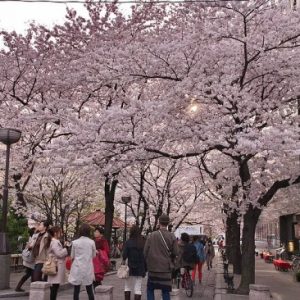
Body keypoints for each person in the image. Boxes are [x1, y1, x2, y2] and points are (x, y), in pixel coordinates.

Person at [144, 214, 178, 300]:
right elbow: (176, 252)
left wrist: (146, 264)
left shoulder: (151, 235)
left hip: (153, 268)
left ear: (159, 222)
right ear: (168, 223)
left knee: (150, 289)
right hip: (165, 268)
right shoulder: (172, 236)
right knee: (165, 290)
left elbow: (145, 252)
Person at [68, 224, 96, 300]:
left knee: (76, 290)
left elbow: (72, 256)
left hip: (77, 267)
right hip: (88, 267)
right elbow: (94, 256)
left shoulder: (75, 242)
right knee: (89, 290)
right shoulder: (92, 242)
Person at [122, 225, 146, 300]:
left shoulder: (128, 242)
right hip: (140, 267)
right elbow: (145, 255)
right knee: (138, 288)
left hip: (129, 267)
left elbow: (124, 255)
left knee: (127, 286)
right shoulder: (143, 242)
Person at [47, 226, 68, 300]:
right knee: (54, 286)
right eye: (60, 232)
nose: (61, 234)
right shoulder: (55, 242)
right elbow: (59, 254)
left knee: (54, 286)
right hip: (56, 265)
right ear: (56, 233)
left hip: (55, 264)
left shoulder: (53, 241)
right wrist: (66, 249)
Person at [15, 228, 36, 292]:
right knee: (30, 274)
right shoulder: (33, 239)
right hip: (30, 260)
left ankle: (19, 287)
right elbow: (30, 248)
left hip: (29, 260)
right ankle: (33, 289)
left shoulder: (31, 239)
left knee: (30, 274)